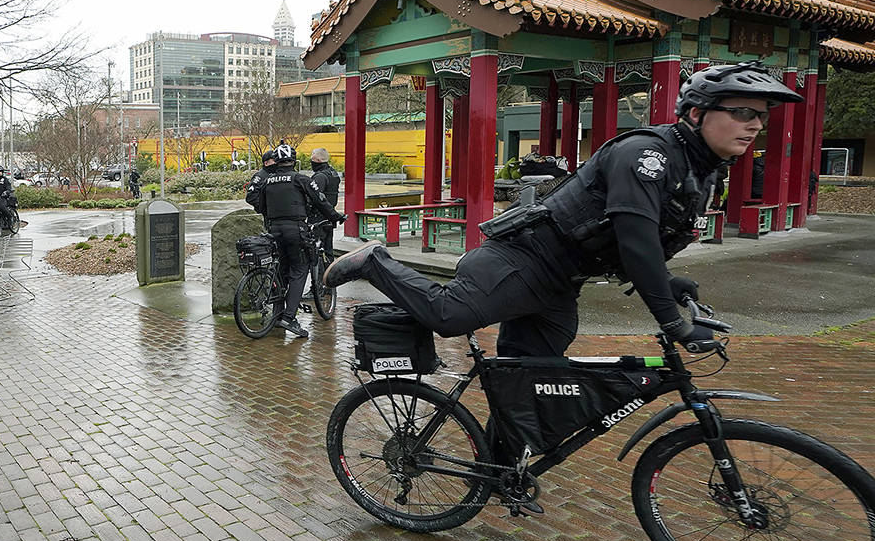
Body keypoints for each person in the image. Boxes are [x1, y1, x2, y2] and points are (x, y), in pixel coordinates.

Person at [324, 61, 803, 367]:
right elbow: (634, 241)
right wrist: (671, 322)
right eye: (742, 112)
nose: (756, 125)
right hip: (520, 261)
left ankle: (503, 466)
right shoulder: (646, 155)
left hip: (561, 281)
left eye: (761, 116)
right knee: (451, 317)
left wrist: (668, 282)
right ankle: (374, 262)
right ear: (697, 113)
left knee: (533, 378)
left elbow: (642, 247)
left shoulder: (700, 170)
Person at [245, 143, 345, 339]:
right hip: (295, 229)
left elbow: (260, 206)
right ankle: (289, 318)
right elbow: (320, 200)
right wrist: (335, 216)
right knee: (299, 270)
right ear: (293, 160)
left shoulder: (268, 181)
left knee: (281, 270)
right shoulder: (300, 179)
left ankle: (277, 313)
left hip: (274, 230)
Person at [308, 147, 342, 258]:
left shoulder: (320, 177)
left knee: (316, 250)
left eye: (312, 159)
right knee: (328, 249)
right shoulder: (333, 173)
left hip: (318, 218)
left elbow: (315, 197)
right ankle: (329, 272)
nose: (311, 162)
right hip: (330, 216)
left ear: (318, 160)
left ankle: (319, 274)